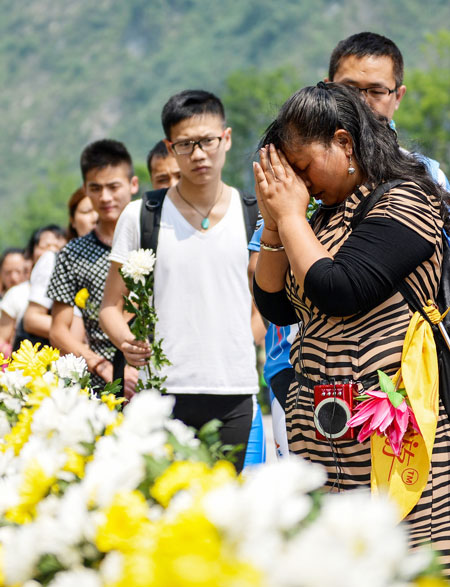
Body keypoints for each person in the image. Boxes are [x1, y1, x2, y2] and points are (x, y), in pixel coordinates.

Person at [252, 83, 449, 567]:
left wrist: (291, 215)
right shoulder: (316, 218)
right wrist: (276, 225)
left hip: (393, 430)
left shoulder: (407, 200)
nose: (296, 183)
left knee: (405, 559)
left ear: (343, 142)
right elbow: (275, 304)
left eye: (302, 167)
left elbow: (340, 290)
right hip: (321, 436)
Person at [100, 90, 262, 473]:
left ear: (227, 138)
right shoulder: (143, 215)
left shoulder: (252, 213)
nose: (199, 154)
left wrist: (245, 335)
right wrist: (126, 341)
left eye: (207, 141)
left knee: (222, 512)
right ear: (171, 149)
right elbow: (110, 306)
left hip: (233, 390)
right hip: (160, 392)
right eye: (186, 145)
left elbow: (265, 300)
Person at [48, 139, 139, 394]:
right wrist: (102, 366)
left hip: (161, 376)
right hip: (102, 387)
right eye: (96, 188)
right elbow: (58, 331)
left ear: (133, 185)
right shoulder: (72, 254)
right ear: (86, 191)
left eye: (113, 186)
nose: (105, 197)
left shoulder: (154, 238)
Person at [326, 31, 449, 190]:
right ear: (326, 88)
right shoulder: (298, 170)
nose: (361, 101)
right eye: (348, 89)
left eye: (377, 91)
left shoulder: (430, 177)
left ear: (398, 97)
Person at [23, 187, 98, 344]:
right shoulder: (55, 261)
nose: (95, 217)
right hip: (66, 360)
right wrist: (73, 334)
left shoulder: (120, 258)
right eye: (87, 211)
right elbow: (32, 319)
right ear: (72, 220)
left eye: (99, 210)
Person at [0, 225, 67, 355]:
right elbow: (2, 338)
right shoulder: (16, 294)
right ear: (31, 253)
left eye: (57, 246)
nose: (52, 252)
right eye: (45, 246)